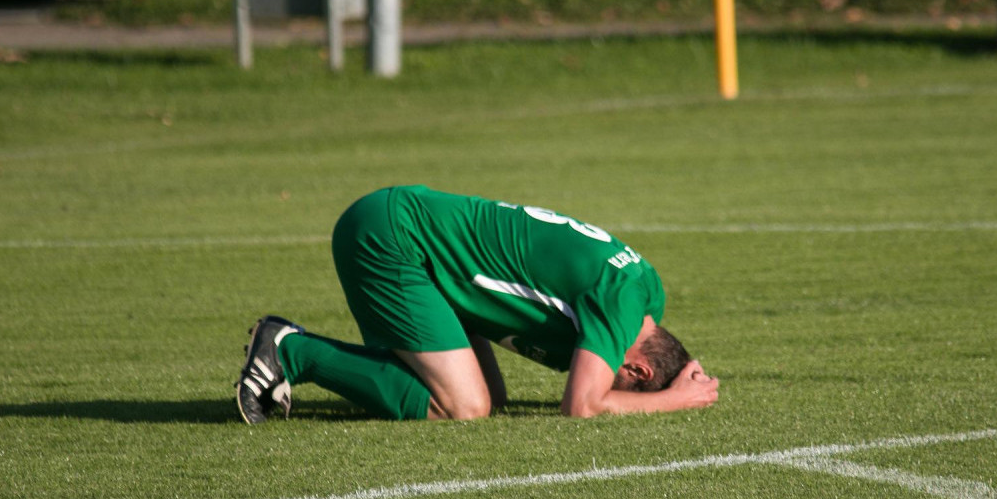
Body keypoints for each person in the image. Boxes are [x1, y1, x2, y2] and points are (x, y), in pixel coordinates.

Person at [236, 185, 719, 423]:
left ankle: (327, 361)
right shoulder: (620, 304)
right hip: (394, 239)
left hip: (414, 241)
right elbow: (583, 406)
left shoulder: (646, 292)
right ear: (638, 372)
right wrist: (676, 399)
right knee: (463, 406)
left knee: (490, 396)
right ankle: (290, 351)